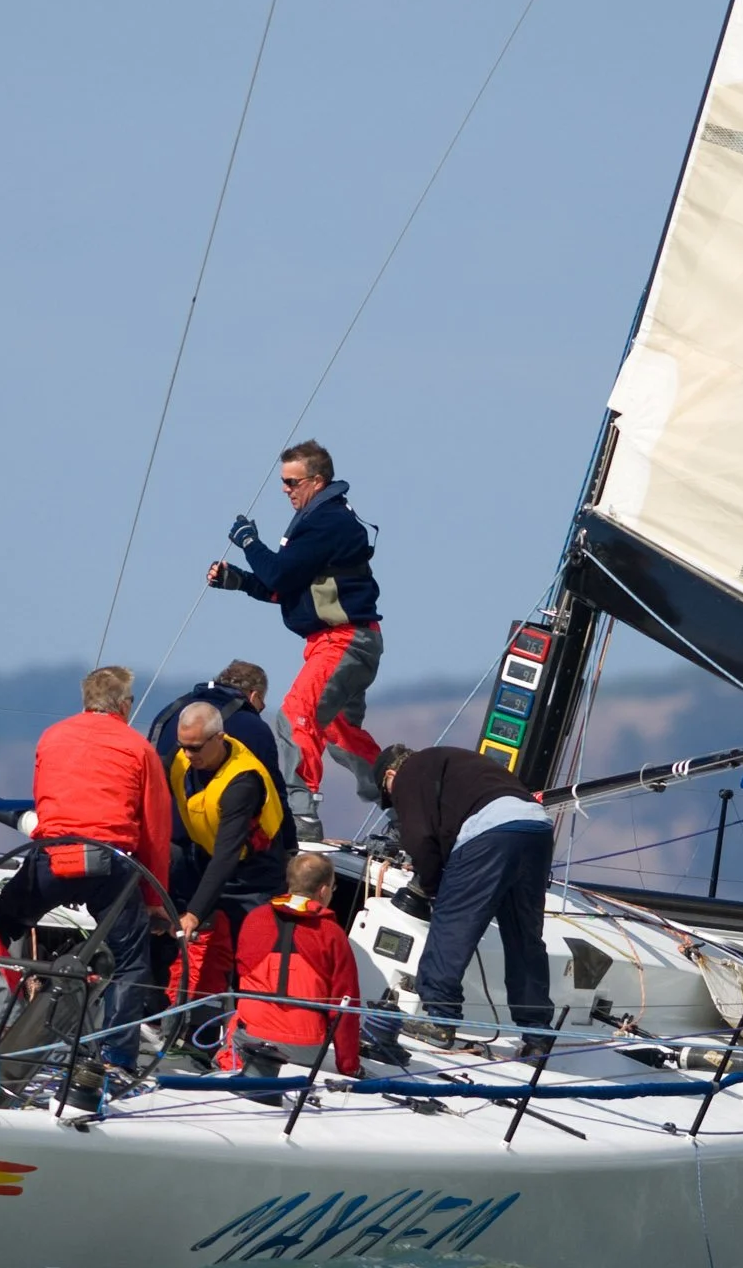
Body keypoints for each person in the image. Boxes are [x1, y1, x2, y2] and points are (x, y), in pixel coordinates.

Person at [0, 666, 173, 1068]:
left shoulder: (52, 736)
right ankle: (118, 1056)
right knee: (130, 960)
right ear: (125, 704)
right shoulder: (138, 748)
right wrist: (152, 898)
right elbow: (155, 829)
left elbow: (44, 798)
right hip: (109, 864)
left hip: (51, 856)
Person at [205, 441, 382, 839]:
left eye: (291, 482)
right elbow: (285, 587)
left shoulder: (327, 522)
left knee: (296, 717)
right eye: (283, 483)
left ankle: (300, 818)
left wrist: (249, 542)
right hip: (344, 642)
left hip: (343, 641)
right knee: (338, 732)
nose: (285, 490)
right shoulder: (318, 522)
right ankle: (400, 796)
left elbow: (282, 575)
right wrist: (239, 581)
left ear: (317, 481)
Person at [373, 742, 554, 1063]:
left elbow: (421, 839)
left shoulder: (409, 774)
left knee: (453, 924)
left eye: (389, 795)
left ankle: (440, 1021)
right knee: (524, 937)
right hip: (536, 827)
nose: (394, 802)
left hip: (490, 833)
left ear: (390, 775)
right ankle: (537, 1035)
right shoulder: (455, 761)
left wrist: (430, 887)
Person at [165, 699, 295, 1014]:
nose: (188, 755)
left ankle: (253, 1025)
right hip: (206, 858)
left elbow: (228, 853)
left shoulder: (243, 780)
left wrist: (195, 912)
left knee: (252, 956)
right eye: (183, 746)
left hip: (255, 874)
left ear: (218, 739)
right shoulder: (180, 759)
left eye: (195, 747)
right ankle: (185, 1017)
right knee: (197, 950)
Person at [225, 851, 362, 1080]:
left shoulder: (255, 919)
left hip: (249, 1037)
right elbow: (345, 1007)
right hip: (304, 1049)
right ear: (324, 890)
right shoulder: (332, 935)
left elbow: (239, 973)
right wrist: (349, 1066)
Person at [145, 659, 286, 800]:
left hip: (157, 816)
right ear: (253, 696)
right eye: (261, 706)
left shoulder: (167, 713)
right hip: (218, 818)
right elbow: (273, 794)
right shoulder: (254, 728)